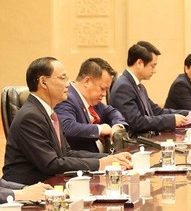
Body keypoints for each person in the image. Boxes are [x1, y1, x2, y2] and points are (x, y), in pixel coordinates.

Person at [2, 57, 132, 185]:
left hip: (49, 185)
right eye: (63, 78)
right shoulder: (30, 117)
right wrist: (100, 164)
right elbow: (51, 164)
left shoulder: (49, 113)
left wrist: (109, 158)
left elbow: (67, 154)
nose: (68, 84)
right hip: (24, 190)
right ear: (43, 82)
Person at [109, 41, 190, 134]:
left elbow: (156, 111)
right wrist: (171, 120)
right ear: (139, 63)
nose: (154, 71)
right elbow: (136, 122)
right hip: (135, 141)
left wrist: (187, 114)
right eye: (152, 66)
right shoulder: (124, 87)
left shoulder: (139, 86)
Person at [54, 57, 128, 153]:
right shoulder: (66, 98)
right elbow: (66, 127)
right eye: (102, 88)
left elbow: (111, 111)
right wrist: (99, 129)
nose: (104, 94)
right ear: (87, 81)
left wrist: (117, 126)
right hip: (83, 159)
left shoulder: (91, 99)